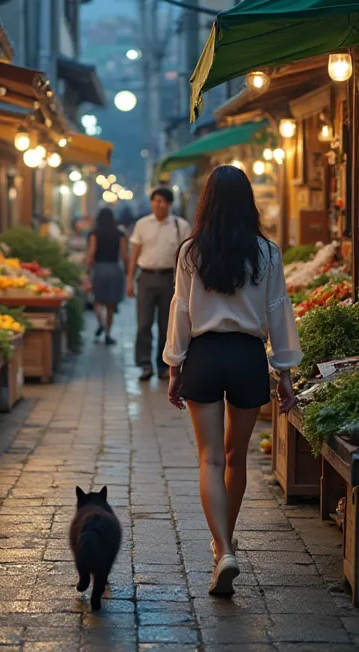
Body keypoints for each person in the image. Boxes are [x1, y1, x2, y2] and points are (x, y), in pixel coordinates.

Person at [163, 165, 300, 597]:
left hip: (203, 356)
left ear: (206, 203)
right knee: (235, 457)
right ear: (248, 203)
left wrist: (174, 366)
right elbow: (279, 313)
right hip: (246, 358)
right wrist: (285, 374)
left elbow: (181, 312)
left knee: (210, 460)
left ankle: (223, 549)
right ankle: (226, 544)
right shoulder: (267, 253)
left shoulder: (190, 252)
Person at [127, 187, 190, 381]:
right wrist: (129, 279)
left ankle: (164, 365)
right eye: (155, 200)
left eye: (163, 201)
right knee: (144, 323)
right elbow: (135, 253)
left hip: (170, 280)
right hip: (146, 277)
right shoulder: (142, 225)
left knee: (167, 325)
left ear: (170, 204)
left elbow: (187, 257)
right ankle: (145, 364)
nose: (158, 204)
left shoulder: (180, 226)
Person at [86, 208, 129, 345]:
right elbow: (124, 255)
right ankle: (108, 334)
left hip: (99, 269)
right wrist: (128, 272)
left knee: (96, 300)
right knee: (111, 304)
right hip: (114, 269)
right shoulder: (120, 234)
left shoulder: (94, 233)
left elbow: (92, 252)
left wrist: (87, 268)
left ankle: (101, 323)